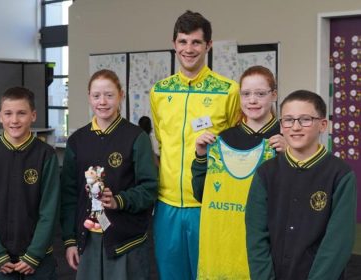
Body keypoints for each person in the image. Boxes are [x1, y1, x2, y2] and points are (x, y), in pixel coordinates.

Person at [149, 10, 241, 280]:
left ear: (208, 45)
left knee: (210, 275)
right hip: (166, 205)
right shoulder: (159, 91)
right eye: (183, 41)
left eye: (196, 42)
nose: (189, 49)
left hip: (209, 204)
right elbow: (162, 144)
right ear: (174, 44)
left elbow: (238, 144)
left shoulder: (228, 90)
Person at [246, 90, 357, 279]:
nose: (295, 127)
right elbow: (256, 237)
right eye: (288, 120)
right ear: (281, 126)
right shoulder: (265, 173)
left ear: (323, 125)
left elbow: (338, 243)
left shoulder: (340, 175)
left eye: (305, 119)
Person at [60, 69, 158, 280]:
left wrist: (118, 201)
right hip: (88, 238)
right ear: (89, 97)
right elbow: (69, 193)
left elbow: (149, 189)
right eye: (96, 96)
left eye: (109, 95)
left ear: (121, 95)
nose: (102, 102)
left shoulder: (136, 137)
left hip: (125, 239)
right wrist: (70, 240)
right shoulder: (77, 140)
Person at [191, 65, 286, 279]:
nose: (252, 100)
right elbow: (201, 194)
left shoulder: (286, 136)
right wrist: (200, 156)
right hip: (223, 248)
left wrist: (290, 155)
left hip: (267, 248)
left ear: (274, 95)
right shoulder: (223, 139)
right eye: (246, 94)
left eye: (260, 94)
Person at [0, 87, 60, 279]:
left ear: (33, 115)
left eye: (21, 113)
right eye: (8, 113)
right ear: (0, 116)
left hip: (39, 260)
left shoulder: (46, 155)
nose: (14, 120)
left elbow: (50, 210)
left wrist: (34, 255)